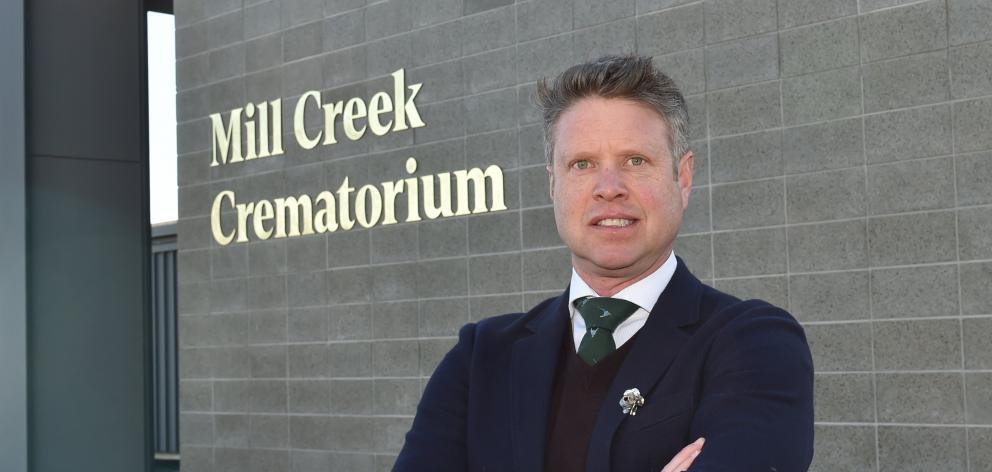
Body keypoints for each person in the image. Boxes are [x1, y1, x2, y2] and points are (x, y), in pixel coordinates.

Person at [394, 55, 814, 472]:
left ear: (682, 179)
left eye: (635, 161)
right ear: (553, 184)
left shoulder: (752, 344)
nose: (608, 188)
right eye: (582, 164)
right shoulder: (481, 359)